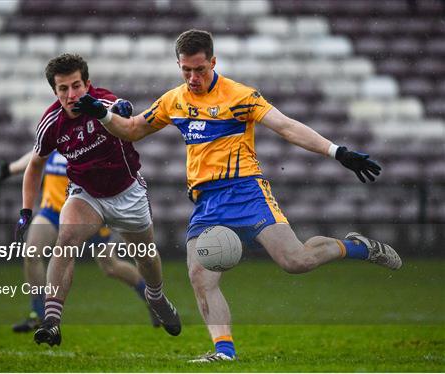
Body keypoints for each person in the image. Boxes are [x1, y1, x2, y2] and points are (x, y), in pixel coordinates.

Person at [72, 29, 402, 362]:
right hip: (207, 202)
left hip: (246, 191)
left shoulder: (240, 95)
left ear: (213, 61)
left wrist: (337, 151)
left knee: (295, 261)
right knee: (199, 275)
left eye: (199, 69)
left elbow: (286, 126)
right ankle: (224, 351)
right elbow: (131, 129)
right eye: (185, 70)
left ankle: (356, 246)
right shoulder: (175, 100)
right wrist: (102, 114)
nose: (192, 77)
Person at [15, 53, 181, 347]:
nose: (70, 94)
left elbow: (125, 119)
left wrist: (114, 112)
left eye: (76, 86)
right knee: (65, 240)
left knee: (145, 256)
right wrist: (27, 209)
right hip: (86, 194)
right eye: (63, 89)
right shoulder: (51, 122)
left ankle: (155, 296)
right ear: (55, 91)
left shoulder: (102, 103)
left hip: (127, 193)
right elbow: (35, 165)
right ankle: (51, 322)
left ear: (87, 84)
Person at [0, 147, 161, 333]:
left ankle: (152, 299)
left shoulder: (87, 143)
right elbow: (34, 157)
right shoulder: (54, 137)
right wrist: (7, 170)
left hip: (87, 213)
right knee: (32, 253)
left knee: (110, 266)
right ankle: (38, 314)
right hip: (52, 210)